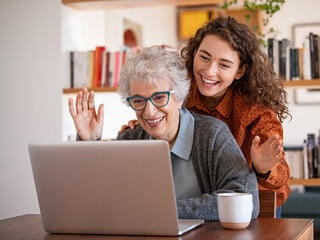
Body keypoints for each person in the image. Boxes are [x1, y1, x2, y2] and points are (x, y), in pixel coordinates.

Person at [68, 46, 260, 221]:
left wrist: (164, 210)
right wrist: (89, 143)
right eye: (138, 100)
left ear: (179, 96)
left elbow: (247, 201)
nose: (149, 112)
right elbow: (97, 200)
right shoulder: (131, 138)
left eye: (159, 97)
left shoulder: (212, 134)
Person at [181, 16, 291, 217]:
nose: (209, 71)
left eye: (224, 65)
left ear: (240, 70)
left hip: (252, 206)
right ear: (194, 54)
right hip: (197, 200)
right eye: (204, 57)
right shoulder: (179, 91)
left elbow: (281, 173)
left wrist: (263, 169)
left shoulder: (257, 111)